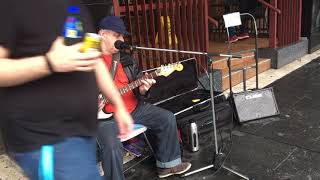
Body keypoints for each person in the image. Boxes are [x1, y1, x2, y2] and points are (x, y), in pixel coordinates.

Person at [0, 1, 133, 179]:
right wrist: (49, 63)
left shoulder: (75, 5)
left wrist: (119, 105)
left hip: (81, 133)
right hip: (44, 139)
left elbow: (94, 61)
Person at [96, 16, 192, 179]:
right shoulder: (88, 60)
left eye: (122, 36)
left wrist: (143, 89)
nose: (121, 40)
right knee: (112, 146)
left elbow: (139, 88)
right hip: (105, 118)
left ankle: (168, 165)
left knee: (167, 118)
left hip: (134, 109)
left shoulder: (126, 60)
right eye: (117, 35)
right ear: (102, 34)